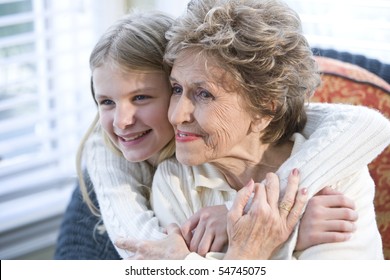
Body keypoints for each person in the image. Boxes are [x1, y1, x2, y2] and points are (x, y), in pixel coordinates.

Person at [55, 9, 373, 260]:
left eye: (203, 94)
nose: (122, 121)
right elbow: (153, 258)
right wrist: (284, 230)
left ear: (265, 110)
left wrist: (248, 219)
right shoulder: (150, 172)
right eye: (177, 90)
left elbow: (365, 125)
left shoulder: (334, 162)